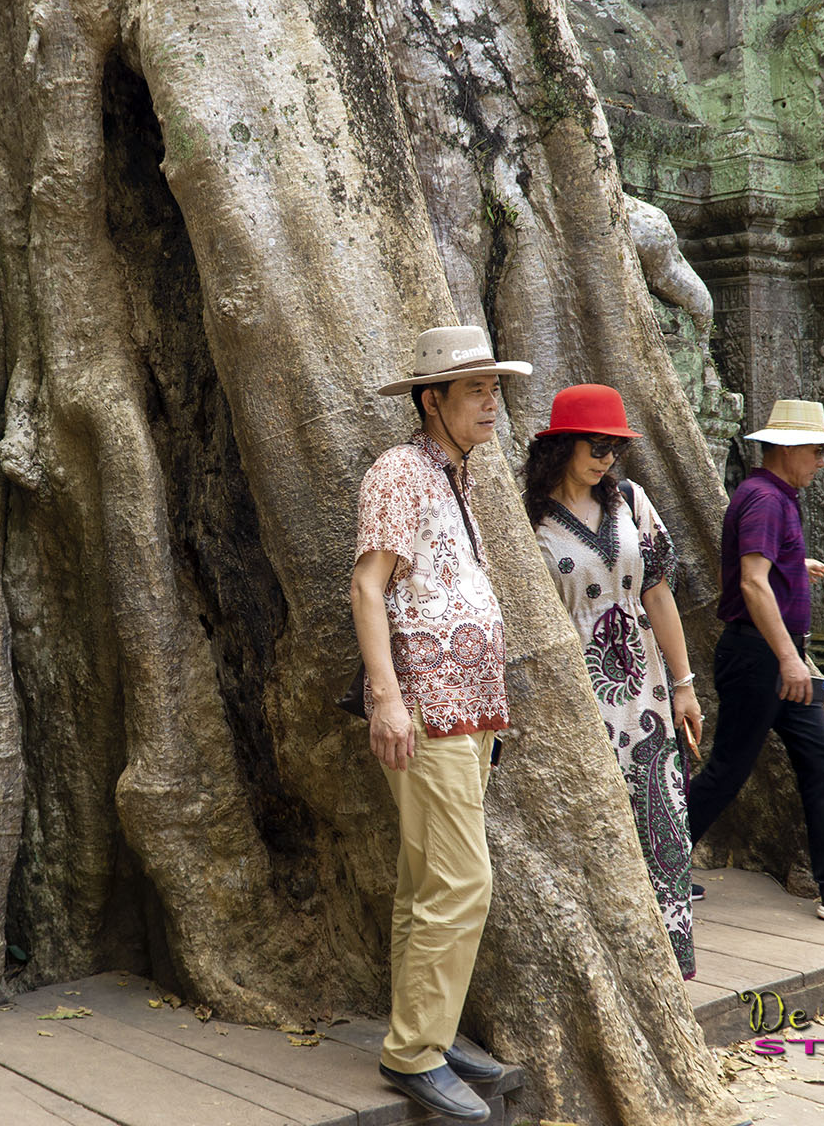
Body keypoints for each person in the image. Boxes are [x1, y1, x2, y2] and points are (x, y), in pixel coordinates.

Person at [351, 323, 530, 1123]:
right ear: (433, 400)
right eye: (475, 391)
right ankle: (414, 1052)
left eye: (495, 389)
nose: (492, 403)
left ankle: (429, 1025)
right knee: (464, 881)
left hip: (468, 707)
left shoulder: (454, 476)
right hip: (428, 707)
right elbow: (367, 587)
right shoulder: (400, 470)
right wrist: (387, 698)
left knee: (427, 878)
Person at [687, 399, 824, 922]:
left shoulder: (774, 497)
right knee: (728, 769)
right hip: (763, 655)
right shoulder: (764, 498)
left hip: (779, 654)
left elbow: (760, 568)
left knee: (820, 762)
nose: (822, 462)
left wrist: (793, 563)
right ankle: (657, 865)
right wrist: (789, 659)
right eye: (816, 450)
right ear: (786, 449)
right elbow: (750, 582)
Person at [523, 384, 701, 978]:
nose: (606, 458)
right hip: (575, 693)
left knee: (660, 814)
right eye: (595, 445)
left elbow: (656, 591)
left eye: (615, 447)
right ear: (562, 445)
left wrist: (684, 683)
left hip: (645, 687)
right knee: (596, 822)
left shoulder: (629, 499)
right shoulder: (529, 518)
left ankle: (668, 965)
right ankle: (608, 967)